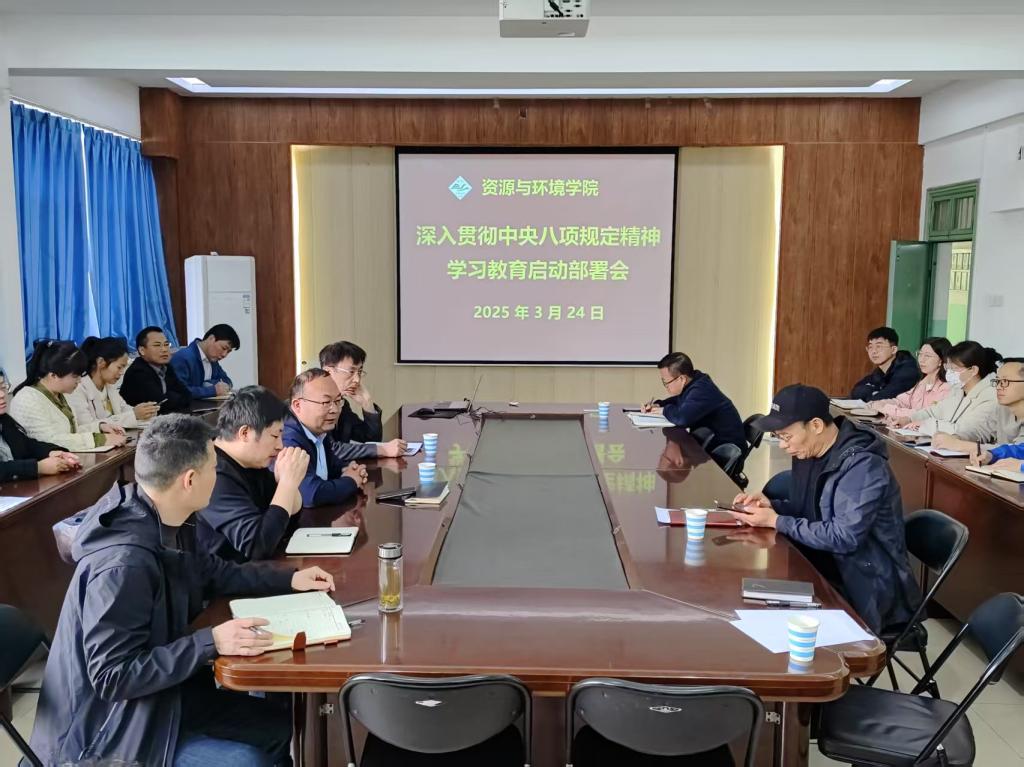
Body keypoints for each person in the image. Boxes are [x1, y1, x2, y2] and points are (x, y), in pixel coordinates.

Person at [28, 413, 337, 766]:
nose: (218, 476)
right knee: (248, 761)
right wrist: (211, 641)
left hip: (158, 698)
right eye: (214, 468)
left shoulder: (167, 517)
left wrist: (288, 579)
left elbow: (212, 572)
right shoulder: (123, 564)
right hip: (108, 732)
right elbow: (112, 677)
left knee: (279, 725)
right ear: (189, 480)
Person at [728, 384, 920, 634]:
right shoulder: (809, 452)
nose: (783, 445)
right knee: (744, 601)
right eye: (778, 437)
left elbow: (844, 536)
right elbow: (809, 511)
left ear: (816, 425)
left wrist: (776, 521)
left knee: (766, 623)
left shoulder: (863, 466)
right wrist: (771, 507)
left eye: (786, 436)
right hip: (820, 566)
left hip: (865, 589)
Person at [197, 386, 310, 563]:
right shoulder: (213, 472)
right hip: (226, 575)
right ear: (245, 433)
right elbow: (257, 546)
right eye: (275, 436)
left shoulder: (253, 462)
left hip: (255, 570)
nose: (280, 446)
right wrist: (287, 484)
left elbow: (285, 525)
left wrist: (288, 484)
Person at [9, 340, 128, 452]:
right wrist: (100, 439)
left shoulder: (60, 394)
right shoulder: (28, 399)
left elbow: (71, 433)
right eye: (75, 376)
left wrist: (100, 427)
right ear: (53, 375)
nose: (79, 381)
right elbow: (50, 440)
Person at [282, 369, 368, 507]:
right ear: (298, 405)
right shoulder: (287, 439)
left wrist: (350, 469)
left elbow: (332, 466)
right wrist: (351, 481)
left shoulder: (318, 429)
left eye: (338, 401)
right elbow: (311, 495)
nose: (335, 410)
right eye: (326, 402)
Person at [898, 341, 1001, 448]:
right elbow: (935, 410)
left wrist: (926, 424)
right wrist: (909, 419)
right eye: (948, 367)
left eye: (954, 368)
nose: (949, 372)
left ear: (973, 370)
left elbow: (967, 432)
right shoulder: (958, 390)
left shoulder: (991, 396)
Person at [641, 352, 746, 452]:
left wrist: (663, 410)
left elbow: (682, 418)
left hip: (723, 451)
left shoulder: (702, 390)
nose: (666, 386)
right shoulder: (695, 381)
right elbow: (679, 400)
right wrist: (659, 405)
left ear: (682, 379)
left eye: (666, 382)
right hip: (712, 443)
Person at [319, 340, 406, 460]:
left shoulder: (342, 404)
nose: (357, 380)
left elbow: (371, 438)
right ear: (328, 372)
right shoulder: (314, 404)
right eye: (351, 372)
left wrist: (367, 403)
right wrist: (382, 449)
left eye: (359, 372)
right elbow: (330, 450)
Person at [0, 367, 81, 482]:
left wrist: (53, 452)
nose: (2, 394)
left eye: (3, 387)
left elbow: (27, 445)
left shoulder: (5, 420)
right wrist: (38, 467)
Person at [69, 336, 160, 430]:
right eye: (119, 367)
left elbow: (124, 409)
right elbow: (87, 426)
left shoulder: (109, 386)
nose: (122, 372)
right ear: (101, 362)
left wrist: (144, 412)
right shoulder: (77, 389)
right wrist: (133, 415)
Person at [868, 337, 952, 429]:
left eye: (927, 356)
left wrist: (887, 408)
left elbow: (924, 414)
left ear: (941, 360)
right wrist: (879, 403)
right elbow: (901, 401)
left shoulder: (946, 388)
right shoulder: (922, 383)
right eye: (920, 354)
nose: (921, 360)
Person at [956, 357, 1024, 458]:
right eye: (997, 381)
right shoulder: (1003, 408)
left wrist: (960, 445)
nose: (998, 387)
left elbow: (1018, 450)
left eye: (1005, 381)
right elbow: (981, 430)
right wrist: (956, 437)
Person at [120, 326, 192, 414]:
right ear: (142, 350)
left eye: (166, 344)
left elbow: (187, 395)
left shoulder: (166, 367)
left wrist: (169, 396)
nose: (164, 349)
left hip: (166, 417)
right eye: (157, 345)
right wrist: (170, 396)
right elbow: (161, 405)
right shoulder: (137, 372)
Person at [850, 326, 920, 402]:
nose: (874, 351)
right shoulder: (880, 371)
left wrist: (874, 393)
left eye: (879, 346)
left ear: (893, 350)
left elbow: (882, 398)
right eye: (870, 347)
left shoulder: (907, 371)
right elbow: (855, 392)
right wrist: (874, 392)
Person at [171, 323, 239, 399]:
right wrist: (212, 390)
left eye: (228, 351)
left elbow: (227, 380)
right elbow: (179, 391)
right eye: (223, 348)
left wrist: (208, 384)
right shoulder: (183, 357)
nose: (224, 355)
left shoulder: (213, 360)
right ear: (211, 338)